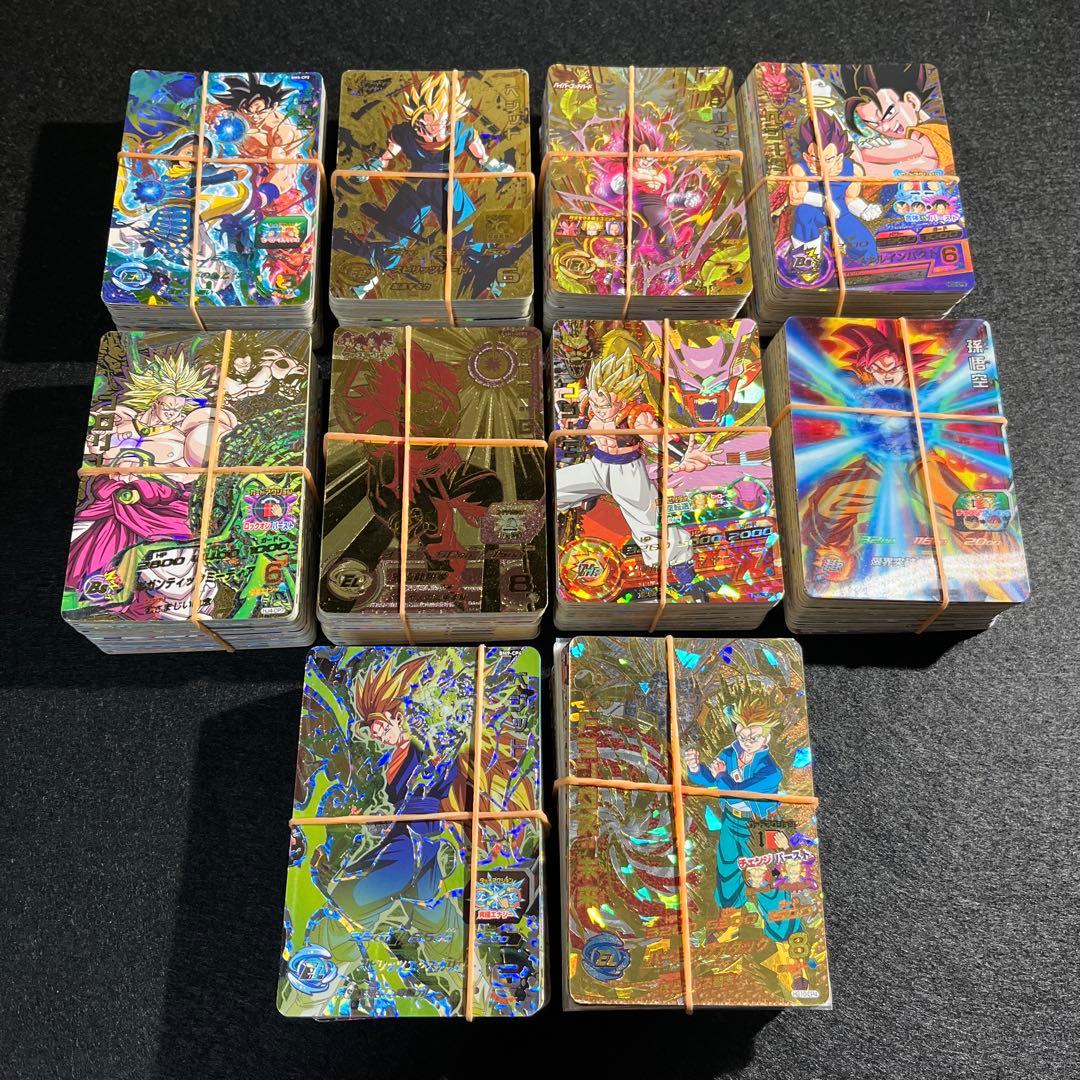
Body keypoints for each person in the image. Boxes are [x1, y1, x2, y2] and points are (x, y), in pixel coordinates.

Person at [556, 329, 717, 596]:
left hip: (627, 471)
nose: (598, 407)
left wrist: (683, 455)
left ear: (622, 398)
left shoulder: (636, 414)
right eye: (595, 400)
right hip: (597, 466)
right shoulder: (591, 400)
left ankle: (687, 579)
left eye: (604, 404)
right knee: (556, 487)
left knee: (650, 525)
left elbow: (659, 437)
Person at [683, 691, 802, 942]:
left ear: (766, 737)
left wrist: (720, 776)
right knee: (727, 870)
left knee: (764, 876)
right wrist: (696, 769)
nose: (747, 741)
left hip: (760, 827)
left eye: (754, 737)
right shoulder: (730, 753)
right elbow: (710, 780)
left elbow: (736, 791)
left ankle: (784, 933)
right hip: (731, 820)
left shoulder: (770, 770)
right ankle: (730, 922)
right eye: (742, 735)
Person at [787, 112, 881, 280]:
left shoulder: (853, 170)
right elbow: (795, 198)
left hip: (840, 213)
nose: (821, 164)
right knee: (803, 212)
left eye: (828, 158)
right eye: (815, 158)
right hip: (814, 213)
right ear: (806, 157)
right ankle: (805, 264)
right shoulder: (799, 169)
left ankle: (860, 274)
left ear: (839, 157)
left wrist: (864, 209)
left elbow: (850, 198)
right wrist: (822, 201)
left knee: (867, 248)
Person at [840, 63, 954, 178]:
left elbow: (917, 152)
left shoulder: (929, 134)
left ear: (912, 101)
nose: (884, 128)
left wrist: (862, 157)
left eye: (888, 114)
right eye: (874, 125)